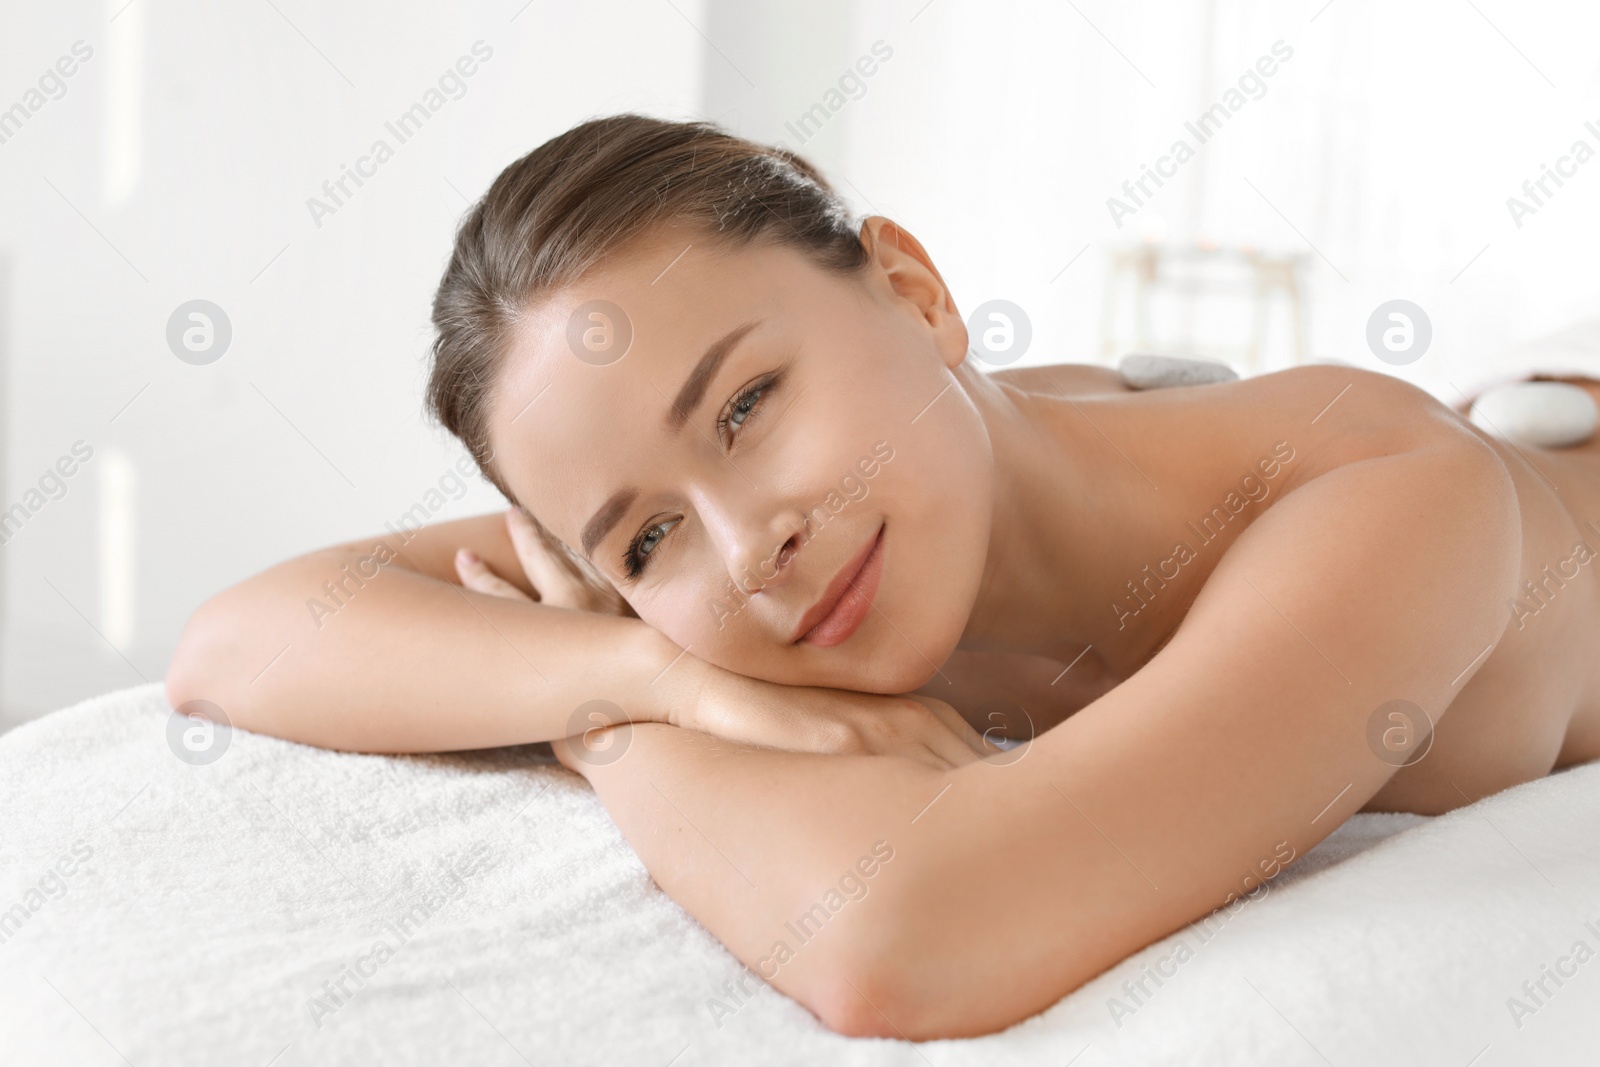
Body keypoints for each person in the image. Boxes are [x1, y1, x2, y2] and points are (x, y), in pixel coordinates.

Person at [166, 113, 1600, 1040]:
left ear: (914, 294)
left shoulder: (1385, 496)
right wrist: (635, 667)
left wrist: (604, 735)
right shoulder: (791, 579)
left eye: (744, 406)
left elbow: (904, 941)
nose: (747, 548)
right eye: (642, 541)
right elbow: (238, 643)